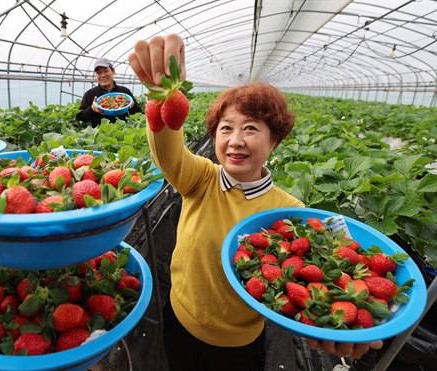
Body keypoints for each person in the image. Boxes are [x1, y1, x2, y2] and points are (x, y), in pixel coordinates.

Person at [128, 34, 383, 370]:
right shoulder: (200, 179)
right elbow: (167, 152)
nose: (235, 140)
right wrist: (159, 99)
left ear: (274, 140)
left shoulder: (288, 212)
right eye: (225, 128)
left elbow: (318, 279)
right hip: (178, 319)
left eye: (250, 128)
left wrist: (340, 325)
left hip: (238, 343)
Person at [76, 57, 142, 127]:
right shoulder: (90, 94)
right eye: (99, 72)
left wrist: (132, 105)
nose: (103, 75)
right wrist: (92, 109)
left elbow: (138, 111)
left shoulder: (124, 92)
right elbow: (80, 117)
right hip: (100, 135)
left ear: (113, 71)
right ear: (96, 75)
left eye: (106, 71)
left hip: (122, 133)